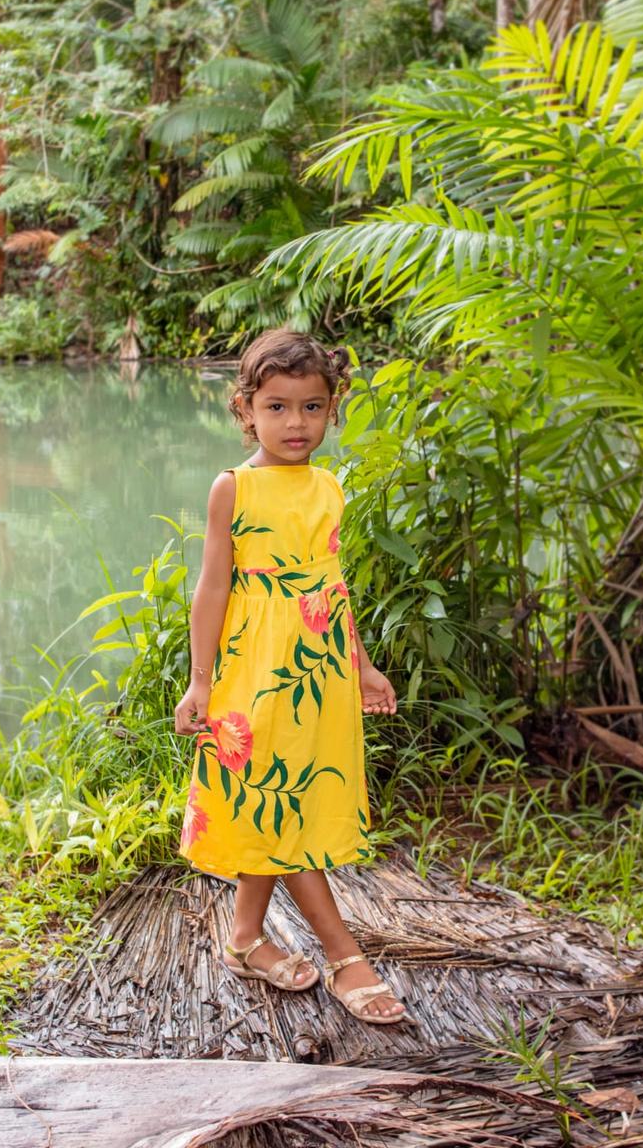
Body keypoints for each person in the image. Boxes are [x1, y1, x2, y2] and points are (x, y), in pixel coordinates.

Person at [174, 328, 408, 1024]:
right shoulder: (234, 487)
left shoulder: (329, 486)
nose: (295, 423)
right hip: (254, 669)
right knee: (277, 801)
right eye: (277, 407)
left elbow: (331, 586)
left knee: (284, 796)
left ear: (332, 408)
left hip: (319, 671)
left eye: (311, 407)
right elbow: (212, 589)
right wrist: (200, 680)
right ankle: (344, 954)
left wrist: (362, 666)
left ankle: (245, 939)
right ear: (246, 409)